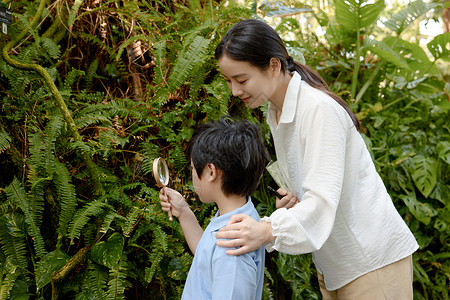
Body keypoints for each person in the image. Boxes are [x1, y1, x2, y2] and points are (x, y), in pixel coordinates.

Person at [214, 19, 418, 299]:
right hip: (335, 268)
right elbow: (319, 192)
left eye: (241, 80)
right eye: (228, 81)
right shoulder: (277, 113)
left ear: (274, 66)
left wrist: (266, 229)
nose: (234, 91)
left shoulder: (318, 110)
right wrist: (292, 203)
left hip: (370, 264)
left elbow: (322, 204)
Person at [159, 116, 269, 300]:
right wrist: (184, 212)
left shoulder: (232, 253)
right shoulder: (240, 217)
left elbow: (221, 258)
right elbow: (207, 253)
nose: (192, 174)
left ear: (211, 171)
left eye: (193, 169)